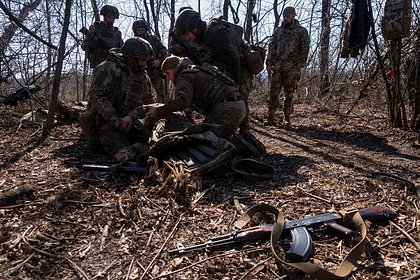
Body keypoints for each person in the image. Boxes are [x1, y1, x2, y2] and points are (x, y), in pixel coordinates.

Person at [173, 9, 254, 135]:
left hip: (241, 67)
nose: (186, 37)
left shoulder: (215, 32)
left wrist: (236, 82)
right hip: (229, 66)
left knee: (239, 96)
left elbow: (234, 57)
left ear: (194, 28)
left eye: (186, 33)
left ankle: (245, 134)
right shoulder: (203, 35)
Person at [78, 37, 155, 162]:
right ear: (131, 58)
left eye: (146, 60)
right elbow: (96, 95)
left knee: (152, 142)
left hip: (128, 122)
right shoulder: (107, 68)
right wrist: (115, 121)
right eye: (142, 60)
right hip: (104, 122)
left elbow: (150, 102)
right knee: (124, 150)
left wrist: (135, 117)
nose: (144, 64)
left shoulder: (142, 76)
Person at [145, 55, 246, 139]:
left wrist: (158, 111)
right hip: (239, 105)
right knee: (223, 138)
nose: (169, 78)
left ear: (175, 68)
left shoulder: (183, 75)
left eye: (168, 73)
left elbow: (183, 101)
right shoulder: (195, 70)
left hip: (226, 109)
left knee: (203, 140)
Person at [265, 6, 310, 126]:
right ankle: (271, 117)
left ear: (294, 16)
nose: (285, 18)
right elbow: (271, 48)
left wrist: (299, 65)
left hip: (292, 68)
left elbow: (305, 49)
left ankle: (287, 119)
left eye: (288, 16)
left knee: (289, 93)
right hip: (277, 67)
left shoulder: (302, 31)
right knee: (273, 92)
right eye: (284, 16)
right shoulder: (278, 31)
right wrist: (269, 63)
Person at [132, 19, 168, 102]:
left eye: (142, 30)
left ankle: (162, 112)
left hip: (155, 71)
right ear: (135, 31)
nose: (141, 32)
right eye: (139, 30)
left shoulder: (153, 39)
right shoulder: (133, 42)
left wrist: (159, 60)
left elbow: (163, 49)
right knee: (144, 96)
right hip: (141, 73)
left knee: (161, 95)